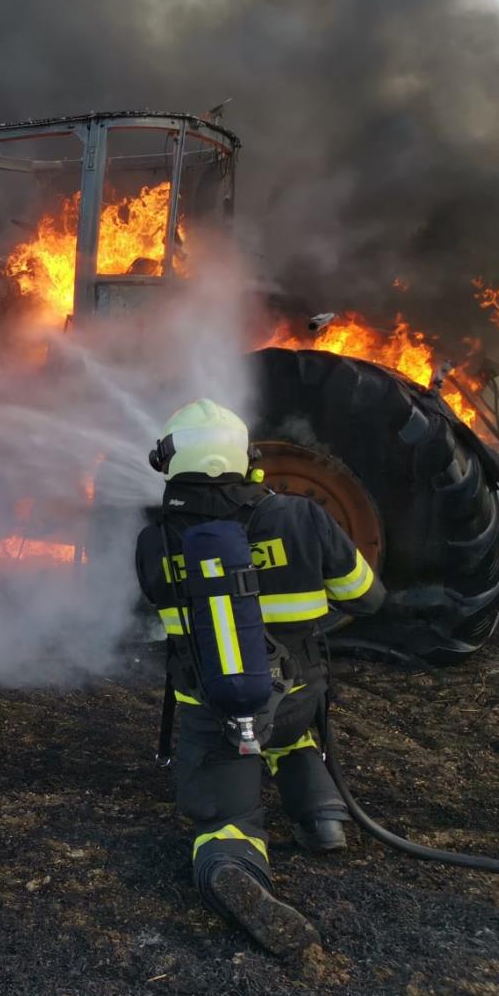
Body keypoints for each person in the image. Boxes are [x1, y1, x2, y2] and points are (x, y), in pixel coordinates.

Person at [134, 399, 385, 957]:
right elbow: (366, 597)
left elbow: (155, 620)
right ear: (246, 459)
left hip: (213, 707)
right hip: (296, 694)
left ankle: (231, 860)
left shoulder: (154, 541)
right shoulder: (302, 516)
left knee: (225, 816)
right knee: (294, 737)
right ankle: (322, 819)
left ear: (167, 463)